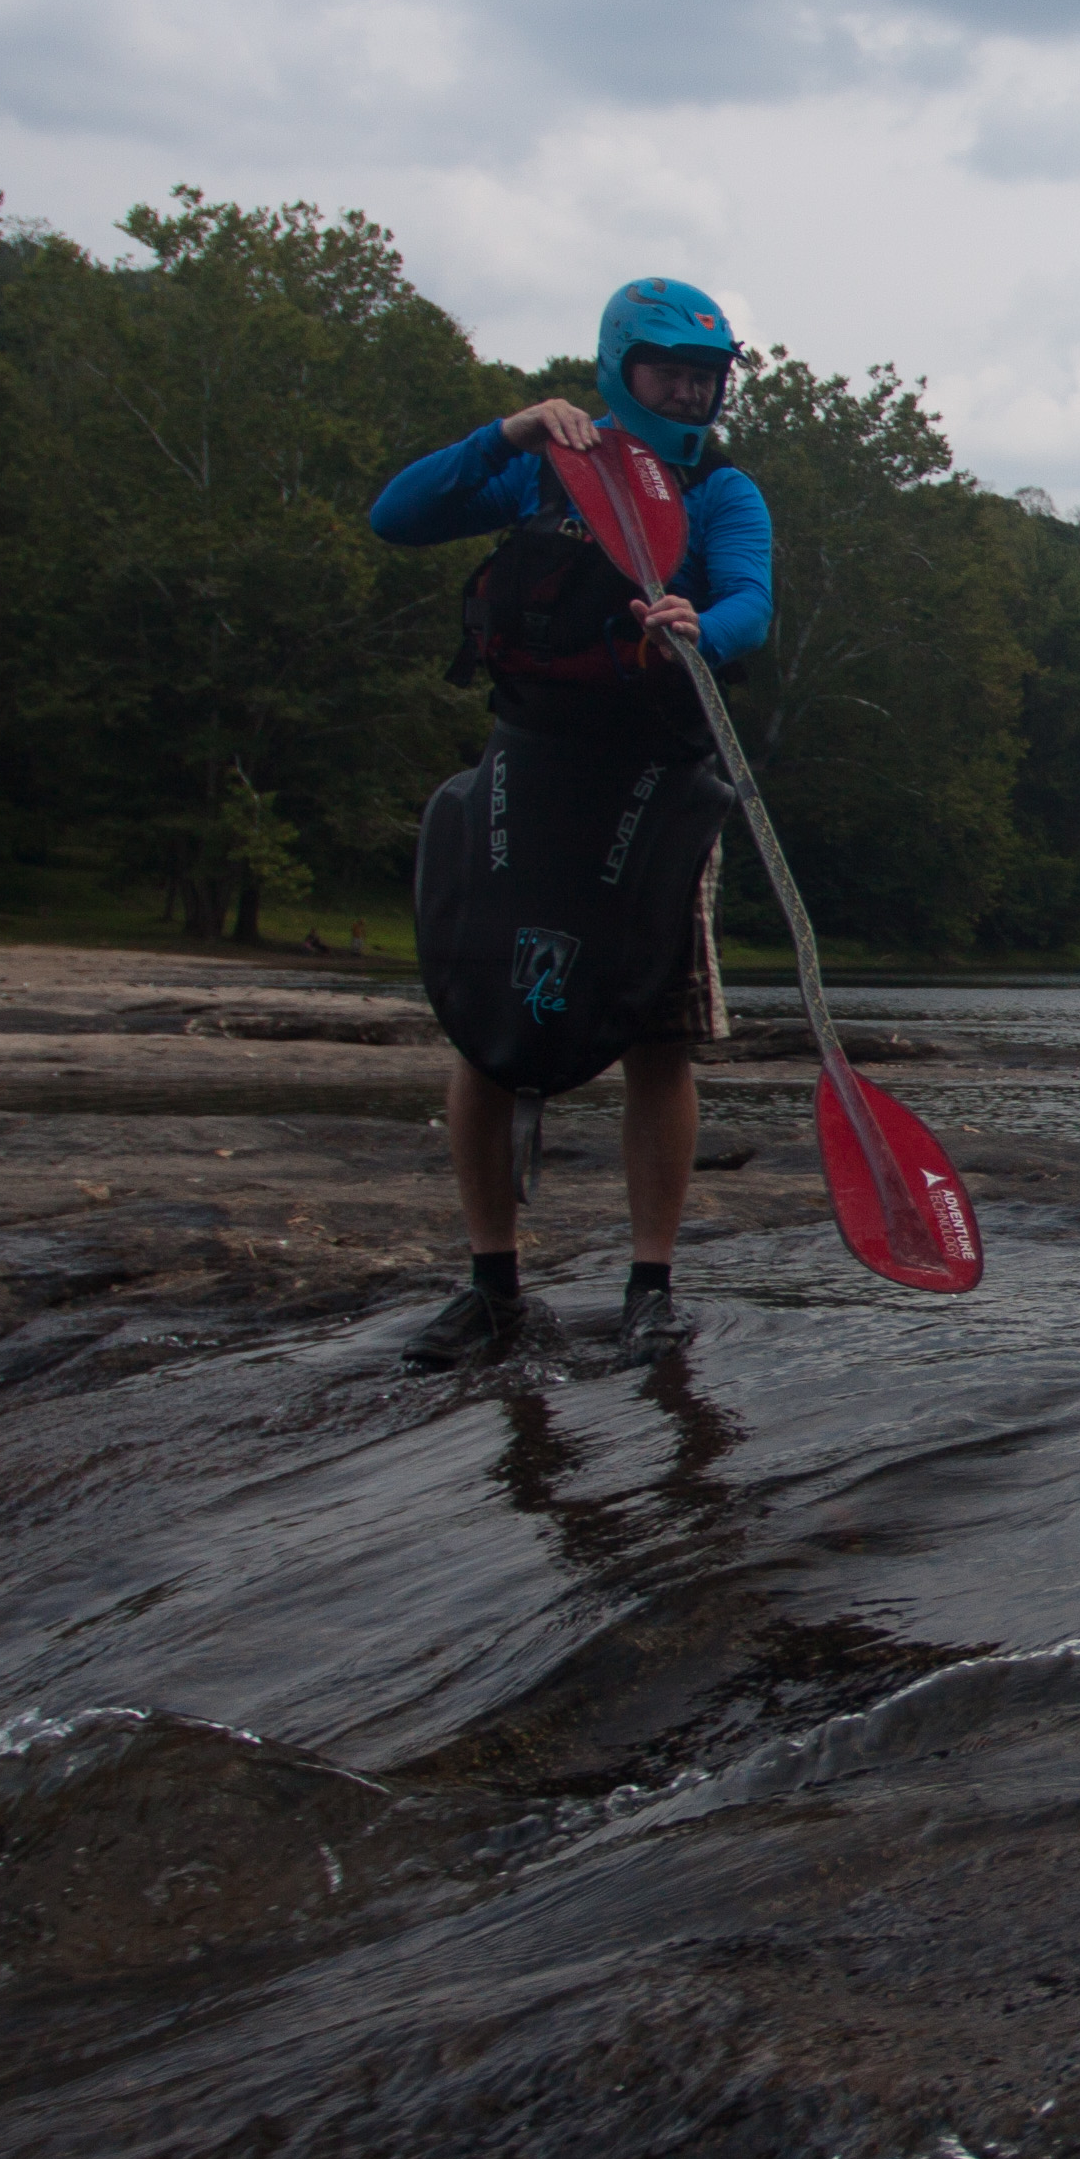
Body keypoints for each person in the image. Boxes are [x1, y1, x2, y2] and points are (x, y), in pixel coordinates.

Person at [369, 278, 773, 1363]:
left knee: (659, 1038)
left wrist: (702, 623)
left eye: (704, 377)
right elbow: (397, 517)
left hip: (657, 781)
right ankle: (492, 1287)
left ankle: (651, 1286)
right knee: (488, 1029)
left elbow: (750, 600)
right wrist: (503, 432)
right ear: (620, 369)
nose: (689, 392)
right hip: (534, 767)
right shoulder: (548, 465)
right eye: (669, 373)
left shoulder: (721, 490)